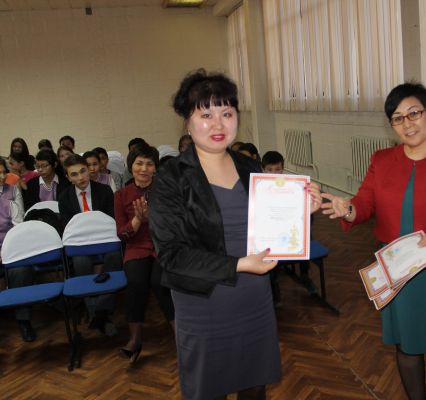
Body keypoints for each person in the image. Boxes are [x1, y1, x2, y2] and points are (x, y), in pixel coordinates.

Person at [150, 69, 322, 400]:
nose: (218, 124)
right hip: (203, 302)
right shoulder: (171, 177)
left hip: (253, 296)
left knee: (254, 386)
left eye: (227, 113)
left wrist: (302, 213)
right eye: (206, 115)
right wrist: (240, 264)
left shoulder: (250, 168)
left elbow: (275, 233)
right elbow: (171, 255)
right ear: (187, 122)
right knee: (208, 390)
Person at [322, 82, 426, 400]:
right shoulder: (382, 160)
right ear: (391, 125)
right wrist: (349, 208)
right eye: (398, 118)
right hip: (398, 269)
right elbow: (365, 202)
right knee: (408, 347)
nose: (407, 124)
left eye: (414, 114)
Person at [115, 143, 174, 363]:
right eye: (139, 163)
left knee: (161, 282)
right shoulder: (121, 195)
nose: (144, 168)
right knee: (136, 282)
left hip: (163, 247)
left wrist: (154, 219)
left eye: (149, 164)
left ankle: (182, 336)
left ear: (155, 168)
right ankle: (135, 340)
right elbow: (122, 234)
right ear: (131, 166)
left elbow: (175, 227)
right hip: (136, 248)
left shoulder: (167, 191)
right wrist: (138, 220)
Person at [58, 154, 122, 336]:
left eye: (83, 171)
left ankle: (102, 311)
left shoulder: (104, 191)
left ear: (89, 169)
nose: (81, 177)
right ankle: (97, 313)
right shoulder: (64, 197)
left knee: (114, 256)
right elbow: (68, 227)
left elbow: (112, 220)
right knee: (80, 262)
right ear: (68, 178)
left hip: (105, 240)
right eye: (74, 174)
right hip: (81, 244)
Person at [261, 151, 317, 304]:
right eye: (269, 170)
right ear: (263, 169)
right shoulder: (258, 187)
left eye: (278, 169)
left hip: (289, 228)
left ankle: (304, 275)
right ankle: (273, 283)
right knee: (267, 246)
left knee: (305, 233)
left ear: (283, 168)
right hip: (270, 232)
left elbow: (303, 213)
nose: (274, 174)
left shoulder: (293, 186)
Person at [0, 158, 30, 341]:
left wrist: (6, 250)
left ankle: (24, 320)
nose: (2, 176)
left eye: (4, 172)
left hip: (10, 245)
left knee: (21, 270)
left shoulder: (13, 190)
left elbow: (19, 225)